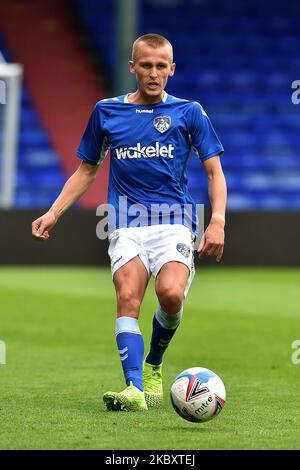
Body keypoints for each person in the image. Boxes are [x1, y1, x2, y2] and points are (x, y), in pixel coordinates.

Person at [32, 33, 227, 412]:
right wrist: (53, 212)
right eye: (146, 65)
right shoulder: (107, 112)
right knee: (128, 299)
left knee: (171, 295)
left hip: (174, 221)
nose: (153, 73)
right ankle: (135, 388)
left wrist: (216, 220)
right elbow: (86, 171)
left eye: (160, 66)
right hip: (125, 221)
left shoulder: (189, 112)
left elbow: (214, 172)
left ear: (171, 69)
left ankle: (154, 362)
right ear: (132, 66)